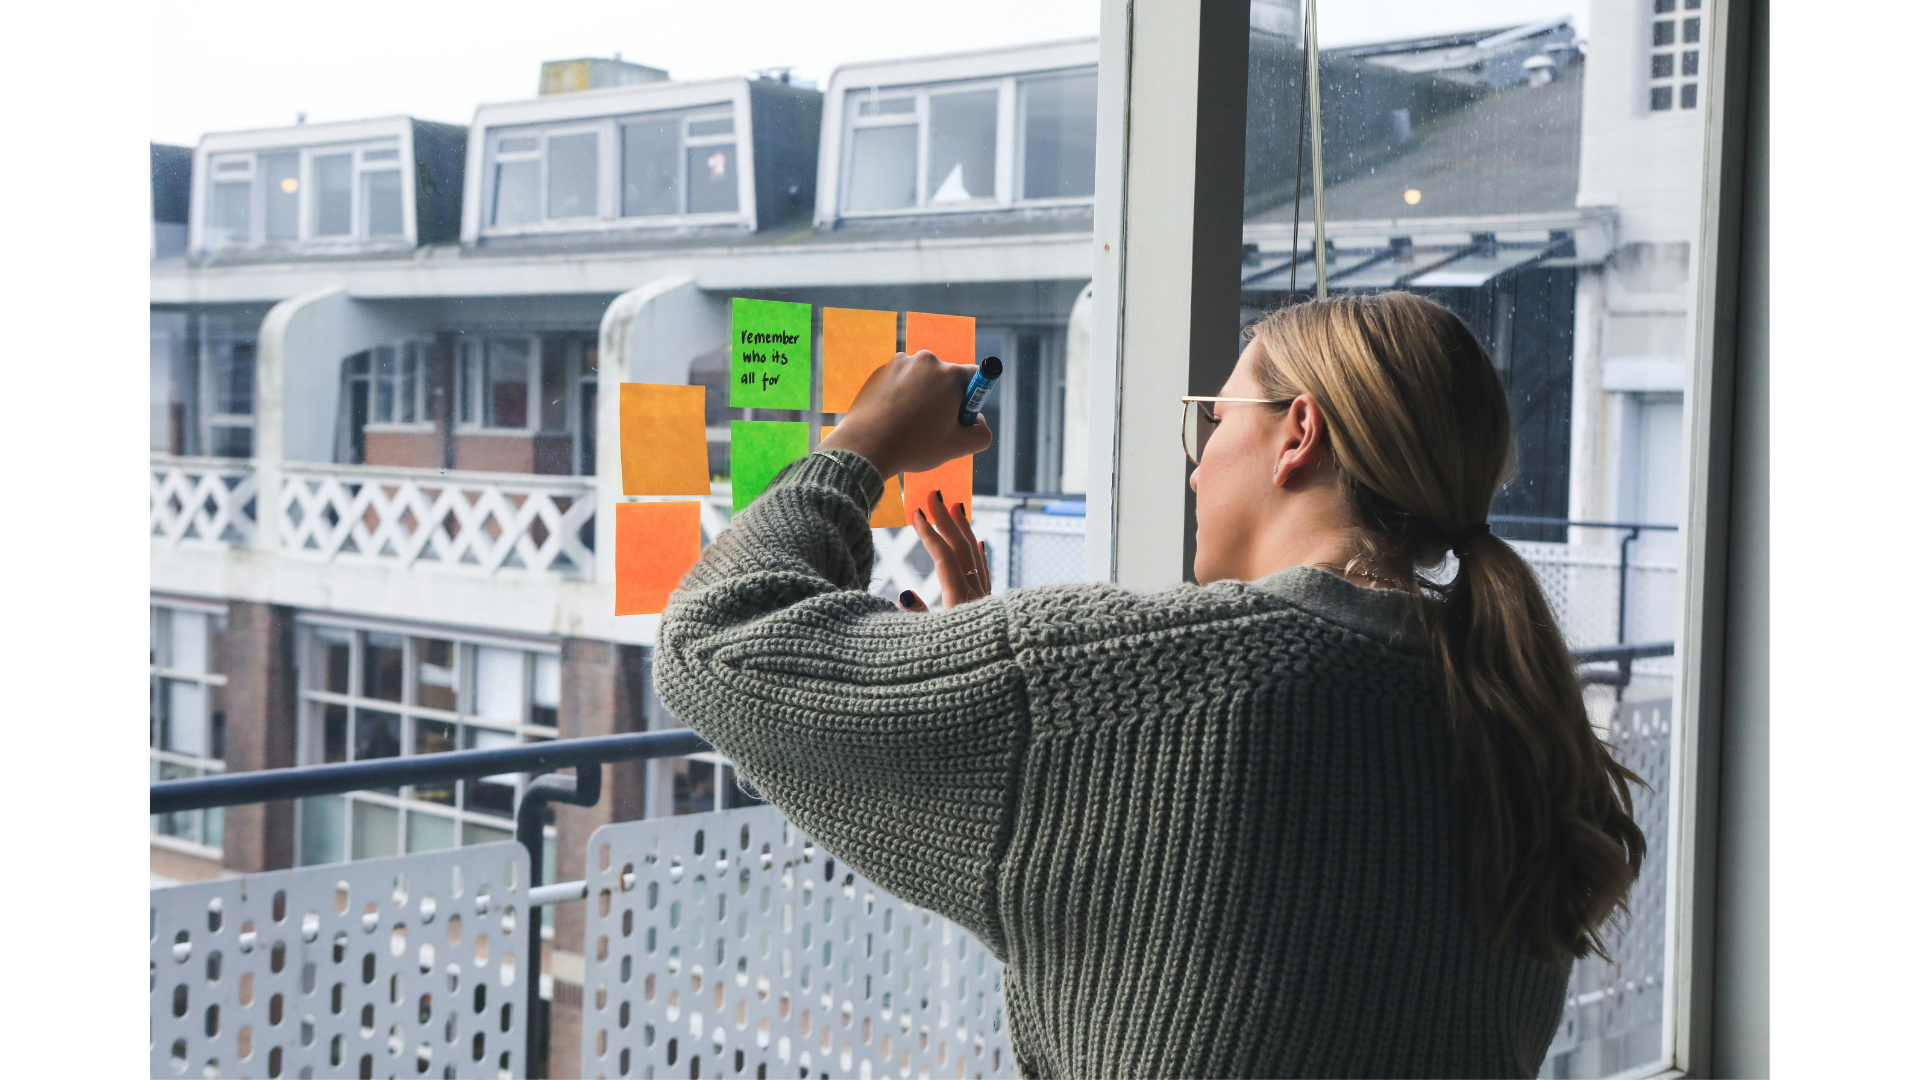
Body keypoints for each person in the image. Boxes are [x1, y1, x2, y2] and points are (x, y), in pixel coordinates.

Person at [654, 291, 1645, 1079]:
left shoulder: (1148, 686)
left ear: (1298, 433)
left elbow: (715, 641)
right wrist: (980, 666)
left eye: (1211, 422)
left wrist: (859, 445)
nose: (1197, 467)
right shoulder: (1507, 713)